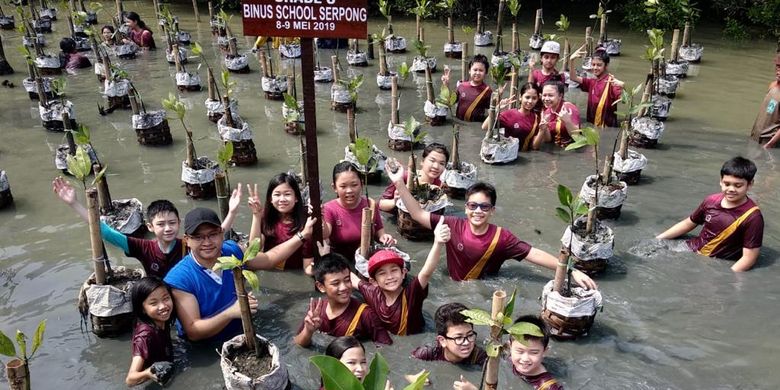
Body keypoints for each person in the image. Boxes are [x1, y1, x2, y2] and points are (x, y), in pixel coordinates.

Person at [386, 160, 597, 289]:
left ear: (492, 211)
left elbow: (534, 255)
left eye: (484, 207)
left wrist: (570, 271)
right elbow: (417, 213)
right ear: (466, 207)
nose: (478, 211)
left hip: (484, 288)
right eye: (473, 206)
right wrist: (398, 182)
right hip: (453, 285)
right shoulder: (451, 224)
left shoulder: (502, 238)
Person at [164, 207, 315, 343]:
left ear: (222, 234)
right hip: (204, 347)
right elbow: (193, 331)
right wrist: (231, 312)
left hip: (241, 332)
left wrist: (302, 235)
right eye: (198, 237)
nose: (207, 242)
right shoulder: (180, 278)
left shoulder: (232, 251)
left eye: (212, 234)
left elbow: (269, 259)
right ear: (187, 240)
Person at [52, 177, 242, 278]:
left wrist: (232, 212)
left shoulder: (187, 244)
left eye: (172, 223)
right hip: (159, 298)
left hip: (186, 291)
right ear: (150, 226)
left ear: (179, 223)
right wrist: (74, 204)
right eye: (161, 224)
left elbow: (215, 236)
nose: (168, 228)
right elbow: (106, 232)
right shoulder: (143, 247)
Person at [656, 157, 764, 272]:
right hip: (691, 249)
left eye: (738, 186)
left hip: (714, 264)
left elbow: (749, 258)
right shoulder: (711, 201)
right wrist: (658, 239)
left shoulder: (753, 217)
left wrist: (728, 277)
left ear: (750, 184)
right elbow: (689, 223)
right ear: (721, 181)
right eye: (727, 184)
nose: (731, 189)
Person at [350, 217, 448, 335]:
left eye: (394, 270)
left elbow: (426, 272)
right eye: (382, 273)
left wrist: (438, 243)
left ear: (404, 273)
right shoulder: (372, 293)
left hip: (418, 335)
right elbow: (354, 280)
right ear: (373, 281)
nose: (390, 276)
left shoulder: (412, 294)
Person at [293, 252, 393, 347]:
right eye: (336, 283)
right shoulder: (316, 310)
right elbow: (298, 342)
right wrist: (308, 331)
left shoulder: (366, 315)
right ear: (320, 287)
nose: (344, 287)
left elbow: (386, 348)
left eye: (347, 280)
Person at [456, 315, 563, 390]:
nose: (525, 358)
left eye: (534, 352)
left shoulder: (548, 387)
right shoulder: (507, 356)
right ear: (509, 346)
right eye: (519, 351)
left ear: (545, 352)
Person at [323, 161, 396, 262]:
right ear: (334, 188)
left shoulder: (370, 204)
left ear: (361, 184)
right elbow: (325, 234)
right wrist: (319, 217)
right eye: (343, 186)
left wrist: (385, 238)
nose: (349, 190)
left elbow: (380, 232)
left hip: (366, 259)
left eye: (354, 185)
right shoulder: (328, 209)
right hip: (340, 263)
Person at [247, 173, 314, 273]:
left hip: (295, 272)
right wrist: (256, 215)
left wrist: (314, 268)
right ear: (270, 198)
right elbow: (253, 251)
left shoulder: (306, 221)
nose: (282, 199)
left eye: (287, 194)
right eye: (277, 195)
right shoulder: (267, 216)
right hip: (270, 271)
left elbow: (307, 266)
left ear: (296, 198)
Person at [125, 277, 175, 387]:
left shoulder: (162, 320)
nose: (163, 306)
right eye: (153, 303)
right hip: (152, 380)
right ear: (142, 309)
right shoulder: (145, 336)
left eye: (166, 298)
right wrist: (148, 373)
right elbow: (130, 379)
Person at [378, 143, 449, 213]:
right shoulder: (403, 177)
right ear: (422, 162)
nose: (436, 166)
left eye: (441, 163)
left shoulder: (438, 185)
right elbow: (380, 204)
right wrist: (395, 201)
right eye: (432, 161)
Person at [411, 302, 487, 365]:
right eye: (458, 338)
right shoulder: (427, 353)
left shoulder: (480, 357)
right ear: (442, 340)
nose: (466, 342)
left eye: (470, 335)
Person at [568, 48, 624, 127]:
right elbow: (573, 78)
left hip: (606, 127)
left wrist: (623, 86)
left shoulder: (611, 82)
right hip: (592, 125)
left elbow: (623, 99)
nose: (595, 68)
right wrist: (571, 60)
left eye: (599, 65)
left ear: (606, 65)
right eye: (593, 64)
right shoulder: (592, 82)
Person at [482, 82, 546, 151]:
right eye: (527, 97)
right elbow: (485, 127)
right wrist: (496, 110)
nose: (530, 101)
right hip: (507, 155)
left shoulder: (536, 118)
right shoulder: (509, 114)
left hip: (526, 158)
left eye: (534, 98)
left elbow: (534, 146)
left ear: (537, 99)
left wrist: (542, 131)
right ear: (520, 97)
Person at [441, 54, 492, 122]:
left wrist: (498, 98)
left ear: (486, 73)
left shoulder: (487, 90)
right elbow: (450, 102)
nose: (477, 73)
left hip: (475, 125)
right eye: (475, 70)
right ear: (469, 71)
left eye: (481, 70)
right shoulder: (462, 86)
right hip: (459, 123)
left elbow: (492, 110)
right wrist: (446, 84)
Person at [536, 81, 581, 148]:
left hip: (572, 149)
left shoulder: (569, 108)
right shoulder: (546, 112)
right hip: (556, 148)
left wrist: (568, 122)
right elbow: (548, 140)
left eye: (550, 95)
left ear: (560, 95)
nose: (546, 99)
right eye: (544, 95)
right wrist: (544, 129)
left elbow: (578, 137)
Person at [750, 53, 780, 148]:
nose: (778, 71)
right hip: (756, 136)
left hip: (769, 141)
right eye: (777, 66)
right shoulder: (772, 85)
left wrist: (770, 144)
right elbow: (768, 110)